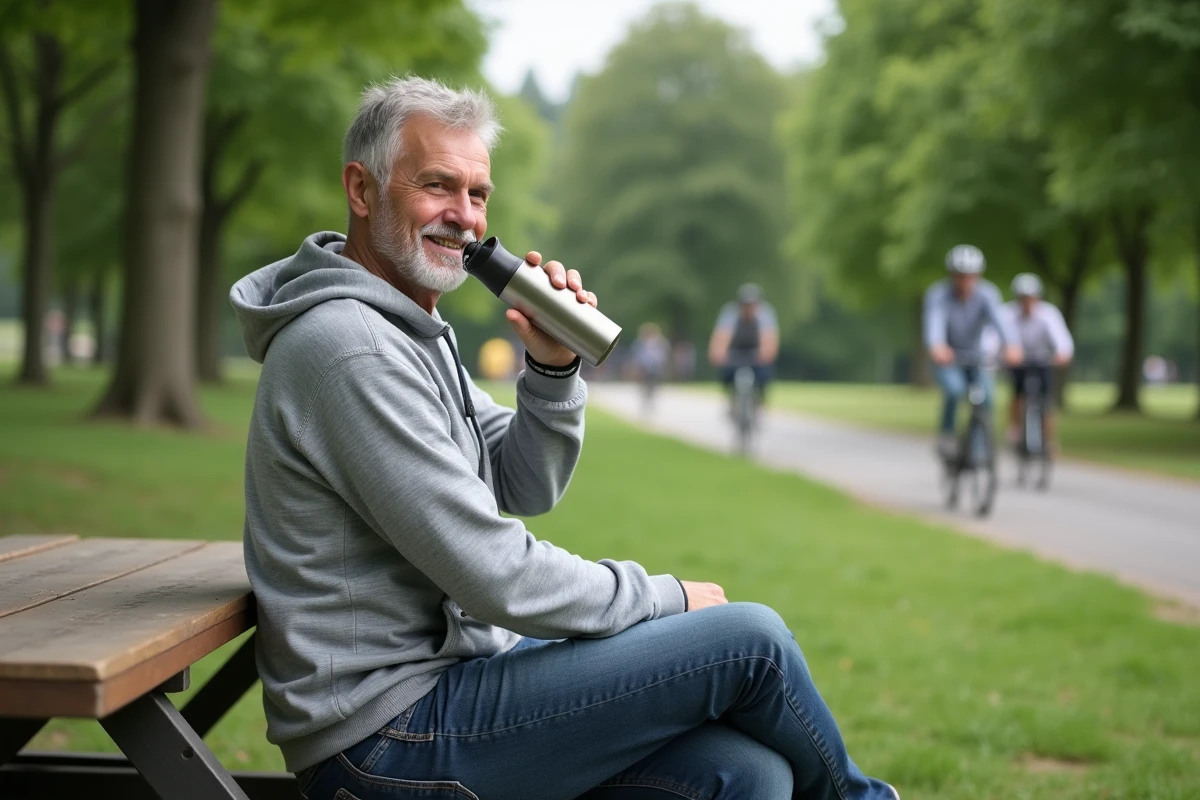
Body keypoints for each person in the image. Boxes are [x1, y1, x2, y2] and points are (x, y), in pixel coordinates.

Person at [231, 77, 898, 800]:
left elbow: (524, 483)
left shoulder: (407, 330)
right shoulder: (350, 347)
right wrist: (665, 597)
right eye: (437, 185)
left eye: (478, 194)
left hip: (455, 681)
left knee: (747, 776)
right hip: (383, 739)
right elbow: (495, 573)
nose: (464, 216)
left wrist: (552, 367)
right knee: (752, 643)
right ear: (361, 190)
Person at [924, 245, 1021, 458]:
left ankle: (979, 445)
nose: (965, 281)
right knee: (955, 390)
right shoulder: (938, 295)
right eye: (960, 276)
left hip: (976, 357)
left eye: (970, 276)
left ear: (978, 275)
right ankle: (947, 434)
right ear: (951, 275)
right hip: (949, 357)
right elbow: (934, 323)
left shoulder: (987, 294)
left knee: (987, 398)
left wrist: (1011, 345)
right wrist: (937, 346)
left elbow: (1000, 322)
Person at [1001, 273, 1074, 451]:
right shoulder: (1007, 314)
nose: (1027, 302)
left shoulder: (1048, 314)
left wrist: (1062, 353)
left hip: (1042, 360)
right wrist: (1005, 353)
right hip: (1018, 361)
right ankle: (1016, 428)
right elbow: (994, 337)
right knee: (1017, 393)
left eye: (1030, 298)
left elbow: (1061, 338)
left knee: (1046, 400)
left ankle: (1049, 439)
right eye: (1023, 298)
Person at [707, 283, 779, 402]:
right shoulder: (730, 313)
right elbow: (722, 335)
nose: (748, 309)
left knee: (764, 373)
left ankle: (760, 397)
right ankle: (731, 395)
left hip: (756, 351)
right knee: (726, 372)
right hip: (735, 350)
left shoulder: (765, 314)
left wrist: (766, 353)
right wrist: (718, 353)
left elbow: (768, 337)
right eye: (745, 305)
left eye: (751, 305)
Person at [628, 322, 671, 412]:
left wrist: (665, 367)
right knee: (644, 385)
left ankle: (651, 400)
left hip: (656, 366)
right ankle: (645, 401)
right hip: (643, 366)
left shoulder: (661, 342)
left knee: (653, 385)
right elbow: (635, 356)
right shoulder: (639, 342)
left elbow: (665, 355)